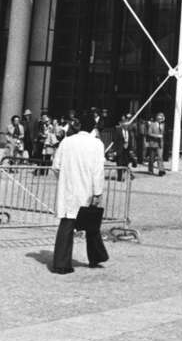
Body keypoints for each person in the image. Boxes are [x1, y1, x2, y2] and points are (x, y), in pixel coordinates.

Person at [51, 114, 109, 273]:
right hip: (87, 188)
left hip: (69, 189)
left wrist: (64, 179)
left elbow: (55, 166)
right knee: (91, 222)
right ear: (93, 127)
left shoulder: (66, 142)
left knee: (67, 223)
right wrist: (97, 193)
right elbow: (98, 171)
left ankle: (62, 263)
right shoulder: (97, 144)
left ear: (79, 126)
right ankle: (96, 256)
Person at [107, 115, 136, 180]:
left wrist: (131, 150)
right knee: (119, 163)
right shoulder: (118, 131)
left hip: (127, 149)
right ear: (122, 125)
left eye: (127, 125)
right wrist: (114, 151)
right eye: (125, 125)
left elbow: (130, 141)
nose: (126, 126)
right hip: (120, 149)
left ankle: (124, 172)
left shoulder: (129, 131)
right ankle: (120, 177)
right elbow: (115, 141)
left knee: (126, 162)